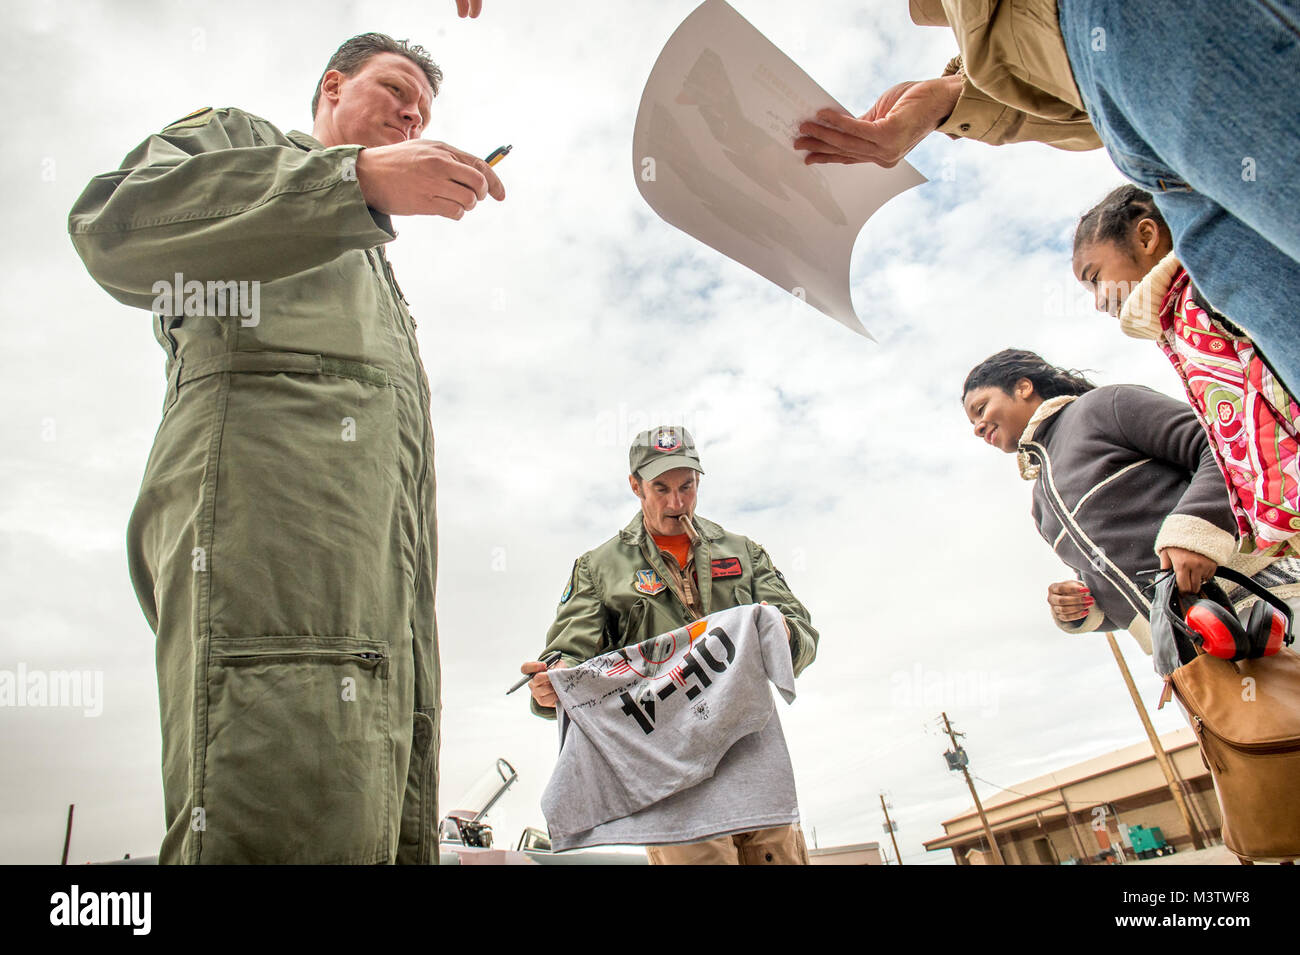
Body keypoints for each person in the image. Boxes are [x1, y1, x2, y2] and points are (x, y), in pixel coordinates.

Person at [67, 27, 504, 864]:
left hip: (376, 615)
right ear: (333, 86)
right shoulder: (236, 143)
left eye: (424, 111)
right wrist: (354, 180)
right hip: (271, 594)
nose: (412, 114)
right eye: (396, 90)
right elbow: (112, 226)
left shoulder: (374, 265)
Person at [794, 1, 1300, 395]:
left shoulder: (1111, 410)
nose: (1102, 302)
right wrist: (951, 99)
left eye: (1095, 278)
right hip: (1096, 92)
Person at [521, 426, 819, 865]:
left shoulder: (743, 552)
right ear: (635, 486)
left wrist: (784, 634)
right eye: (661, 488)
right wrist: (551, 685)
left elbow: (804, 635)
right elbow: (569, 659)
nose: (676, 502)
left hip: (751, 755)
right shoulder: (598, 569)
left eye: (687, 486)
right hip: (667, 773)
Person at [961, 350, 1300, 651]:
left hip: (1264, 600)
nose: (977, 427)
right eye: (972, 422)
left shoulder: (1104, 407)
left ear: (1022, 387)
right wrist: (1084, 609)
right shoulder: (1040, 506)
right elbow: (1114, 587)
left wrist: (1195, 531)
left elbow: (1223, 448)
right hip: (1187, 654)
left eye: (981, 408)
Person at [1072, 184, 1300, 559]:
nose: (1098, 302)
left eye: (1095, 277)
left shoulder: (1211, 288)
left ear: (1146, 236)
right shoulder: (1176, 328)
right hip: (1281, 526)